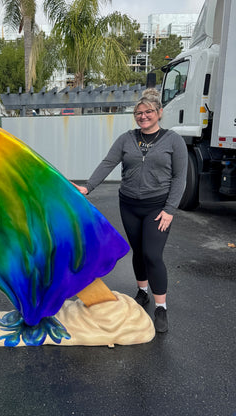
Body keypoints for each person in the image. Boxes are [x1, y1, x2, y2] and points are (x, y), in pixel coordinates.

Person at [72, 88, 188, 333]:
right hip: (129, 204)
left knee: (153, 255)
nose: (143, 116)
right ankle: (142, 291)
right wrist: (88, 187)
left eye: (148, 112)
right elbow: (108, 162)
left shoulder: (173, 140)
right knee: (139, 251)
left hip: (157, 208)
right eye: (139, 113)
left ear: (159, 113)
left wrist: (170, 210)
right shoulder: (127, 138)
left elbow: (180, 178)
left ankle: (161, 308)